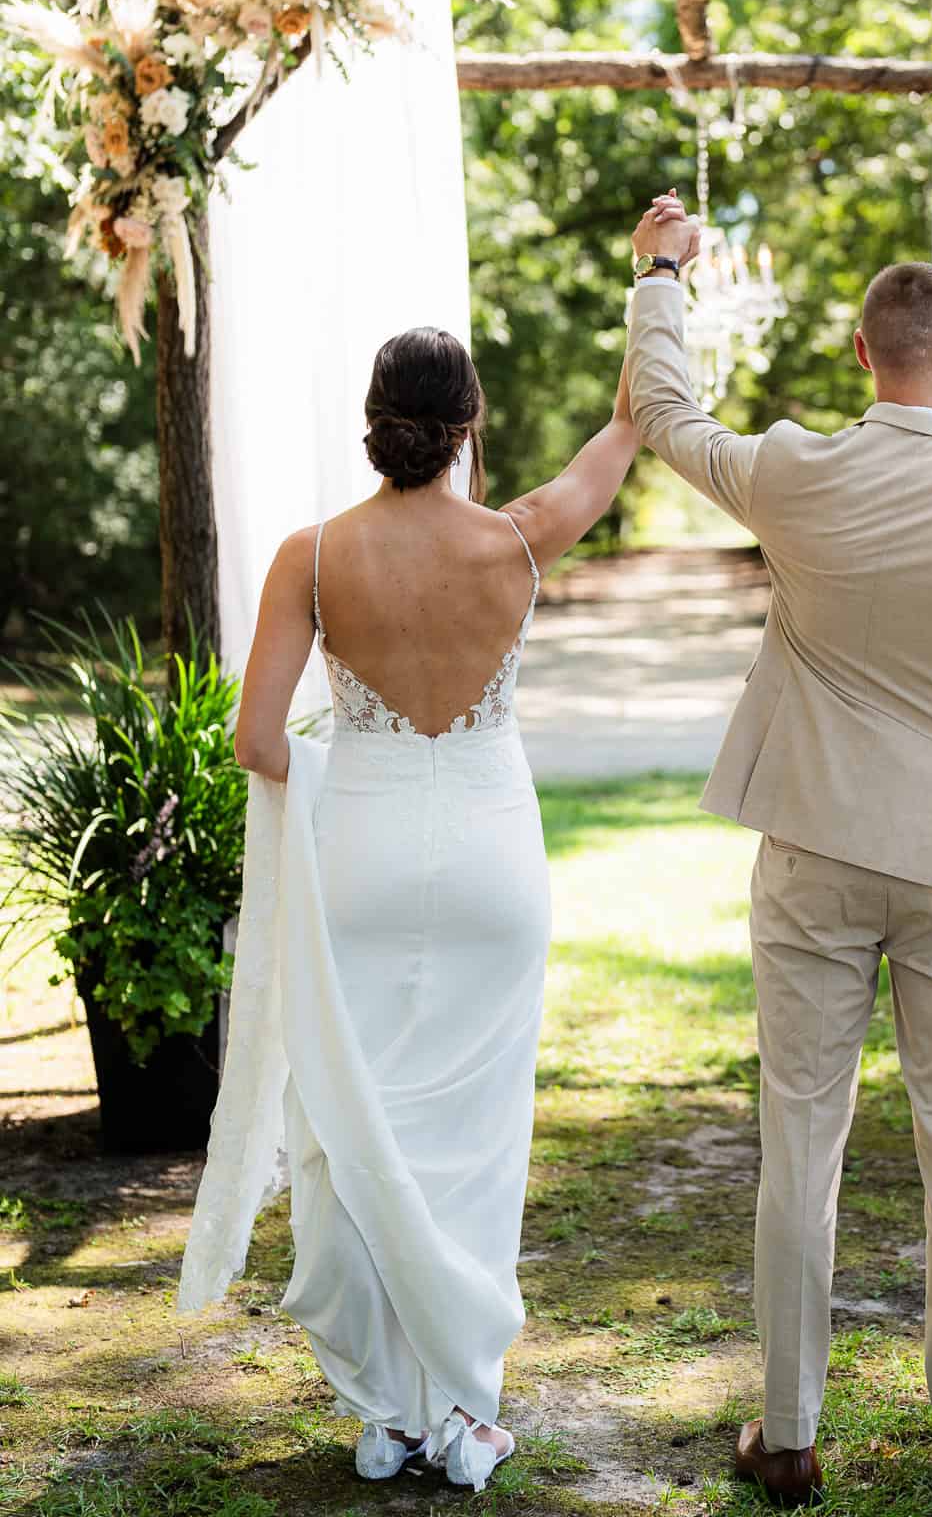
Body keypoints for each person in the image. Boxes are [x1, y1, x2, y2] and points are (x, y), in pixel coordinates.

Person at [625, 199, 932, 1508]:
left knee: (800, 1139)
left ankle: (786, 1437)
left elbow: (663, 415)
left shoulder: (792, 471)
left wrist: (662, 274)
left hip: (815, 854)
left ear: (858, 352)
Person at [224, 326, 640, 1487]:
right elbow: (624, 431)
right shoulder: (520, 536)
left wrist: (354, 773)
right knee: (472, 1142)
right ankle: (460, 1408)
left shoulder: (311, 556)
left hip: (360, 851)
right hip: (493, 865)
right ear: (470, 421)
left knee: (358, 1127)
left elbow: (258, 739)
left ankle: (386, 1414)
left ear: (375, 417)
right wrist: (654, 284)